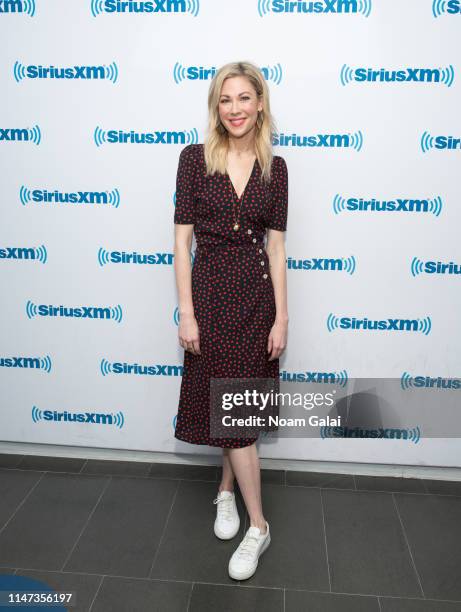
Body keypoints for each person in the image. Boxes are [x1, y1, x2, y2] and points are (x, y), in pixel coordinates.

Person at [173, 60, 288, 581]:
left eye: (244, 98)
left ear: (260, 104)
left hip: (255, 302)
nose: (235, 109)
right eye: (226, 99)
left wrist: (282, 318)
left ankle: (255, 525)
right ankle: (231, 497)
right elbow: (181, 243)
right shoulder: (194, 160)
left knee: (237, 413)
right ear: (216, 107)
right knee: (230, 409)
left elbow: (278, 250)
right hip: (211, 300)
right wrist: (188, 313)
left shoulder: (276, 168)